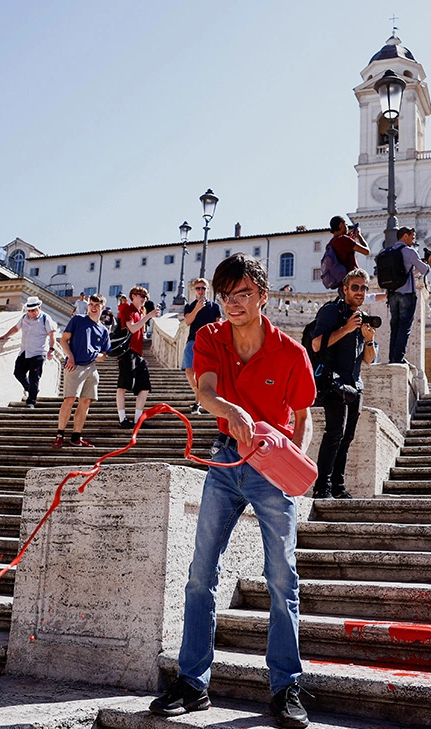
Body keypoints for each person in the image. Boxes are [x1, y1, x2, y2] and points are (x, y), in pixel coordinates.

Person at [149, 253, 314, 728]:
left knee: (282, 578)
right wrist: (229, 409)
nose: (232, 304)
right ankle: (193, 683)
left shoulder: (291, 353)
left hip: (271, 467)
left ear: (264, 296)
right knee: (201, 572)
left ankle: (286, 688)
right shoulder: (210, 335)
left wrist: (293, 466)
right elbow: (203, 391)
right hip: (224, 459)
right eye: (226, 296)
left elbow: (304, 416)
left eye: (243, 294)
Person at [311, 268, 377, 500]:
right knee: (334, 434)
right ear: (345, 289)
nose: (360, 292)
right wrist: (347, 328)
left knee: (347, 438)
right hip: (334, 382)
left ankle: (338, 487)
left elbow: (369, 360)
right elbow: (317, 344)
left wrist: (369, 340)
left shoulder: (361, 318)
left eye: (364, 288)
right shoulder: (332, 311)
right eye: (355, 287)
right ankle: (322, 488)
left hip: (354, 385)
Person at [53, 293, 110, 448]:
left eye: (97, 305)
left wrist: (96, 355)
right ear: (88, 306)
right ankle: (60, 434)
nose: (93, 307)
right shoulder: (78, 320)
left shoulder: (104, 330)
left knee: (85, 402)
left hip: (91, 368)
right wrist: (70, 356)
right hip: (75, 364)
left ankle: (76, 436)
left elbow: (104, 355)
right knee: (69, 399)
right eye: (91, 304)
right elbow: (64, 340)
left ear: (102, 308)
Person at [0, 296, 57, 408]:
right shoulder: (25, 317)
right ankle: (30, 388)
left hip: (38, 352)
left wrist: (51, 350)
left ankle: (31, 401)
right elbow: (16, 328)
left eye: (33, 310)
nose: (31, 312)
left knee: (34, 377)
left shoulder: (45, 318)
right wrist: (5, 336)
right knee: (18, 373)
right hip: (25, 351)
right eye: (29, 310)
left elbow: (52, 335)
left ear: (39, 307)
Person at [383, 226, 431, 364]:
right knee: (405, 327)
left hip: (392, 294)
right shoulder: (409, 252)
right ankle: (399, 358)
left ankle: (392, 358)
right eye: (412, 237)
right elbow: (424, 270)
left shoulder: (388, 251)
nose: (413, 240)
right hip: (406, 295)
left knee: (395, 327)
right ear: (405, 236)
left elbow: (407, 273)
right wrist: (430, 262)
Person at [116, 286, 159, 429]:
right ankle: (122, 419)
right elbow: (132, 328)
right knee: (123, 386)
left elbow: (139, 336)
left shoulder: (140, 312)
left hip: (137, 354)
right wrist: (148, 317)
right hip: (127, 352)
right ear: (133, 295)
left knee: (145, 387)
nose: (144, 299)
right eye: (142, 296)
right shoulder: (127, 308)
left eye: (146, 297)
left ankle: (137, 420)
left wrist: (141, 355)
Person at [183, 278, 221, 415]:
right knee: (189, 371)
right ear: (194, 290)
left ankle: (197, 403)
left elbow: (218, 324)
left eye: (203, 288)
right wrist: (197, 308)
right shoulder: (189, 306)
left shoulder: (215, 307)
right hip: (192, 340)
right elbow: (187, 322)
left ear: (208, 290)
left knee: (201, 374)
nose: (201, 291)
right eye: (198, 288)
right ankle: (200, 393)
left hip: (208, 343)